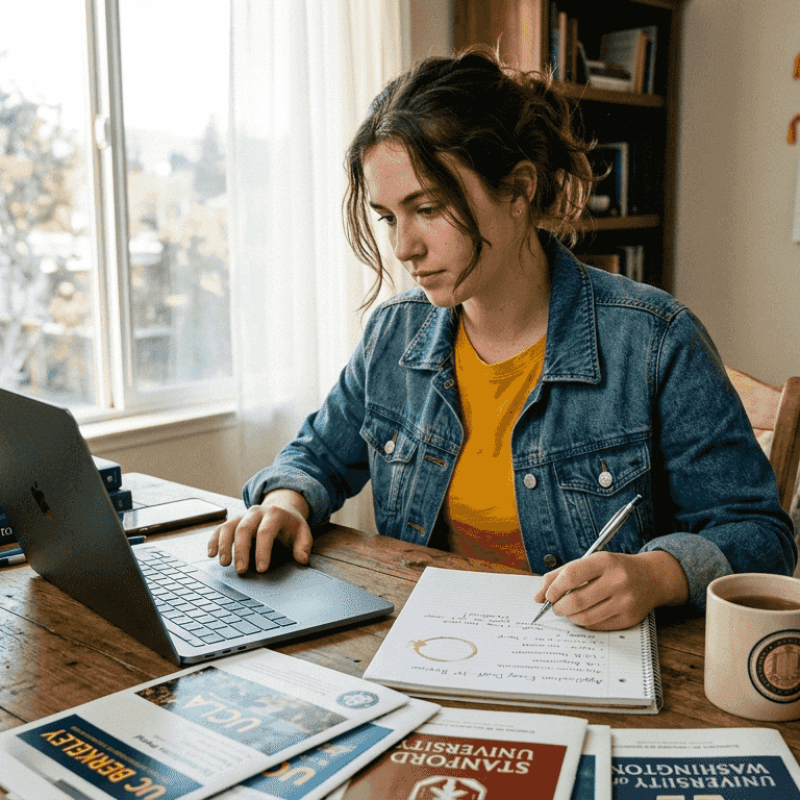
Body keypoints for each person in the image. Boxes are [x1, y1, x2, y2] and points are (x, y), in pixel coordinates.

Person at [208, 46, 796, 631]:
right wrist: (284, 503)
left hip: (587, 661)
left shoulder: (656, 340)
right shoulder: (394, 333)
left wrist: (656, 574)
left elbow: (761, 537)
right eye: (389, 217)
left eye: (429, 208)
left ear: (517, 191)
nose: (403, 247)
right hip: (428, 651)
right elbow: (316, 455)